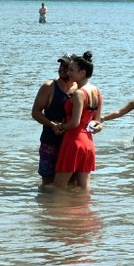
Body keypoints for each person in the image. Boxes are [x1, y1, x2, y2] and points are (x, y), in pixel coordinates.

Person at [53, 52, 102, 191]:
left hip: (74, 141)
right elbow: (97, 122)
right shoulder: (96, 91)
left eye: (72, 70)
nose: (68, 72)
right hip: (88, 142)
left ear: (82, 72)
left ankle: (58, 212)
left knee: (58, 187)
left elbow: (74, 123)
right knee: (84, 187)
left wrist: (60, 126)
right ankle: (84, 211)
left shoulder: (79, 93)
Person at [31, 54, 76, 185]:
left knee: (73, 182)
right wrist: (51, 125)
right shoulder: (49, 86)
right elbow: (35, 112)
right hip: (50, 142)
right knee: (47, 184)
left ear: (74, 69)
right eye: (61, 65)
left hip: (70, 143)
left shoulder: (79, 89)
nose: (62, 68)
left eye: (66, 66)